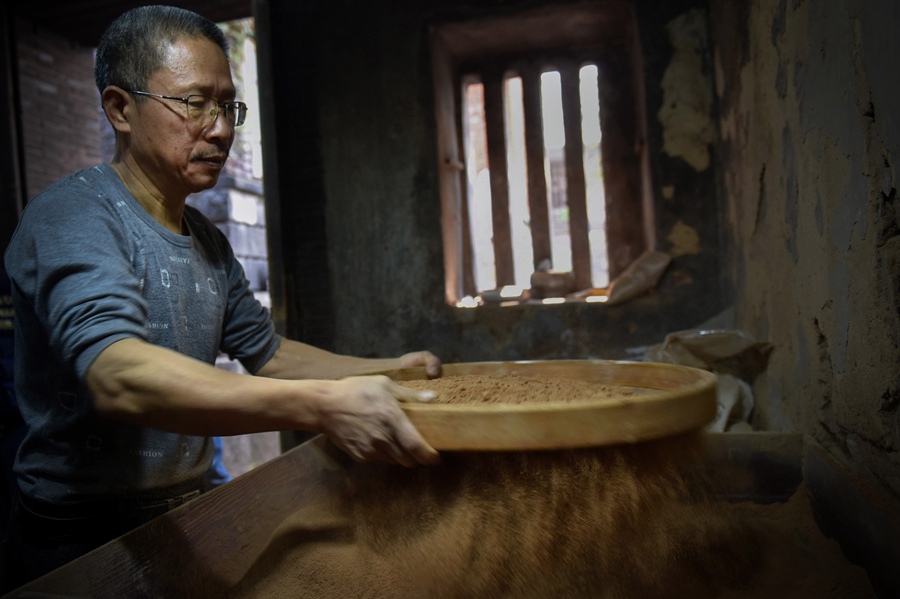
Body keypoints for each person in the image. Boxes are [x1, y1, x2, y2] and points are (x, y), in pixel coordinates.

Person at [1, 5, 440, 591]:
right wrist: (325, 405)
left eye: (227, 105)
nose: (221, 128)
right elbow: (119, 375)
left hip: (188, 511)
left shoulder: (206, 237)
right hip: (81, 537)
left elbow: (268, 352)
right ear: (120, 109)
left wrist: (392, 371)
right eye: (193, 103)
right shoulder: (75, 216)